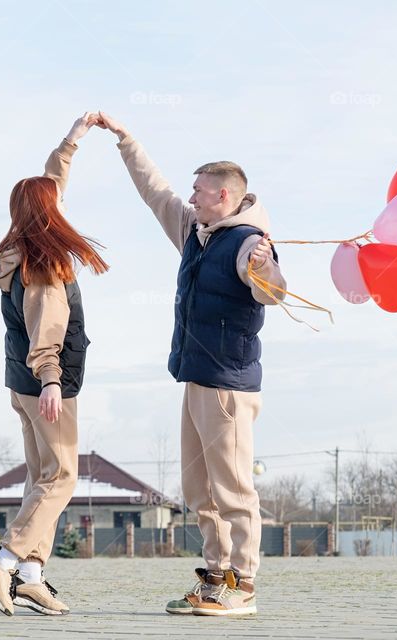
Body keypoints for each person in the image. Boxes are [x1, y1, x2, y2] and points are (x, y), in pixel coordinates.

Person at [95, 111, 286, 617]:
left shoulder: (247, 242)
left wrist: (266, 271)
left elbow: (274, 292)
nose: (191, 195)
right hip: (196, 380)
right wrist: (125, 139)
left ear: (223, 195)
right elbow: (154, 191)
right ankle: (214, 579)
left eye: (200, 189)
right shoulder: (195, 232)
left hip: (228, 386)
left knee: (233, 487)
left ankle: (242, 583)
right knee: (199, 489)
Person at [0, 112, 108, 617]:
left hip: (20, 382)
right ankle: (5, 558)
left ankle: (31, 575)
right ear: (49, 213)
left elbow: (51, 183)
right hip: (47, 383)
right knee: (62, 478)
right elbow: (47, 329)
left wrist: (73, 141)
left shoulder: (17, 250)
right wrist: (53, 380)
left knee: (40, 479)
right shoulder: (45, 266)